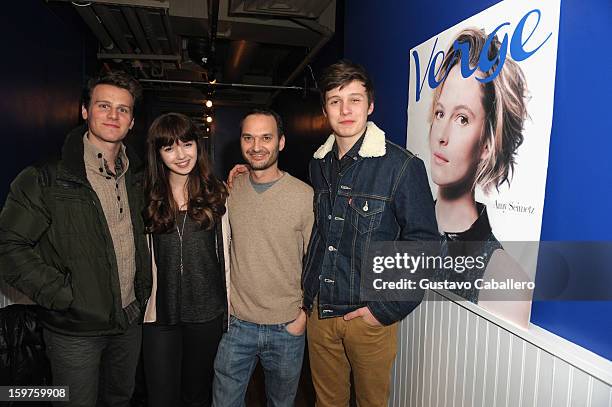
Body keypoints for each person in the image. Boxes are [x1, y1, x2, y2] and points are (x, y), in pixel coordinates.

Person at [0, 70, 151, 406]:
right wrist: (63, 295)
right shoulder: (46, 178)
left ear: (131, 121)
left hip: (128, 322)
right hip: (74, 330)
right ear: (85, 111)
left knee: (119, 399)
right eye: (103, 106)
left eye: (123, 109)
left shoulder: (138, 176)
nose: (113, 115)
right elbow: (7, 247)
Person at [301, 60, 440, 406]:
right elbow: (322, 232)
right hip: (321, 311)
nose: (345, 110)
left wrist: (385, 309)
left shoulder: (402, 166)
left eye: (355, 99)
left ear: (371, 105)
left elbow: (425, 244)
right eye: (335, 101)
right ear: (325, 109)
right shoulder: (318, 164)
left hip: (368, 317)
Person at [428, 28, 532, 327]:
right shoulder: (407, 229)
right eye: (439, 113)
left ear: (486, 144)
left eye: (462, 118)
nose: (442, 135)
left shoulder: (502, 276)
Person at [212, 109, 313, 407]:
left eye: (266, 137)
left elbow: (317, 261)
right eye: (249, 138)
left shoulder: (304, 196)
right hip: (236, 324)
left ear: (281, 142)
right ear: (241, 142)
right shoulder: (230, 190)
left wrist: (303, 314)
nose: (257, 146)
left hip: (287, 326)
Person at [142, 112, 229, 407]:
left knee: (197, 396)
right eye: (169, 148)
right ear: (158, 154)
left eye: (187, 143)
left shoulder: (219, 194)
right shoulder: (145, 196)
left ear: (198, 145)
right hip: (161, 315)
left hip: (206, 315)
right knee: (161, 397)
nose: (181, 155)